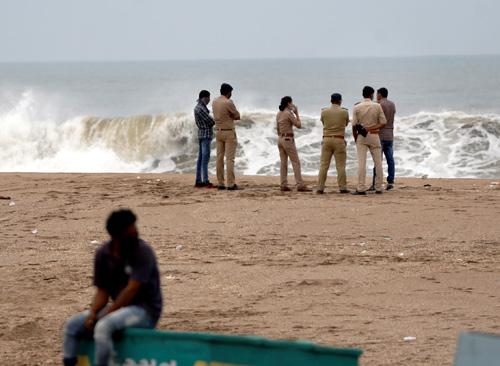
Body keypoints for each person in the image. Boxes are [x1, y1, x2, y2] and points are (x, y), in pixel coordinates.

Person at [62, 209, 163, 366]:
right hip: (119, 309)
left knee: (103, 327)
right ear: (118, 235)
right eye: (131, 230)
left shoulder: (142, 252)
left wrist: (107, 313)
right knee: (72, 325)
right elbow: (102, 292)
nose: (136, 232)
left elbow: (131, 290)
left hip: (145, 310)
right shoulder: (103, 254)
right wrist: (93, 312)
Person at [352, 86, 387, 195]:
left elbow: (354, 125)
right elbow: (383, 122)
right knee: (378, 162)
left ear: (363, 94)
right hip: (375, 135)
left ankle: (361, 187)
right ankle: (378, 187)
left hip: (362, 137)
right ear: (372, 94)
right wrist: (372, 128)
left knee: (362, 163)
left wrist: (356, 138)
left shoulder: (357, 107)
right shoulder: (377, 106)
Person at [276, 96, 311, 192]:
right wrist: (296, 113)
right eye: (291, 103)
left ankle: (283, 184)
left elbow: (278, 129)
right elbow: (299, 125)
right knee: (295, 162)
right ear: (288, 103)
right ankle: (300, 185)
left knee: (283, 163)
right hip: (288, 139)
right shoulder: (289, 113)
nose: (292, 105)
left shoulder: (279, 114)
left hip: (280, 139)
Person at [316, 93, 350, 194]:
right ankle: (342, 187)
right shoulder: (344, 112)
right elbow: (346, 123)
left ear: (331, 100)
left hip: (326, 139)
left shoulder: (324, 111)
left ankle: (320, 188)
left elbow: (323, 123)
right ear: (340, 101)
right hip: (339, 139)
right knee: (340, 166)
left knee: (324, 165)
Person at [212, 83, 241, 190]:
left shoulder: (214, 102)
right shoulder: (228, 102)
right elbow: (237, 116)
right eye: (231, 93)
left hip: (218, 131)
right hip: (228, 132)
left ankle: (220, 183)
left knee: (219, 158)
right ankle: (230, 183)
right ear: (228, 92)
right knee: (229, 159)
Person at [369, 87, 396, 190]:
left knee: (377, 160)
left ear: (380, 94)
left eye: (377, 94)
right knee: (390, 159)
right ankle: (390, 181)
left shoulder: (379, 105)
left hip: (380, 134)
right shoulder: (392, 104)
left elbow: (377, 119)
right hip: (390, 134)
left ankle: (375, 183)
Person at [194, 90, 216, 188]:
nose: (209, 100)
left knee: (201, 159)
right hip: (205, 134)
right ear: (204, 97)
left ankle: (199, 180)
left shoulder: (199, 107)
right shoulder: (200, 108)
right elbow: (210, 121)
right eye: (208, 98)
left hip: (201, 134)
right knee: (205, 159)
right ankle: (205, 180)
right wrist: (213, 120)